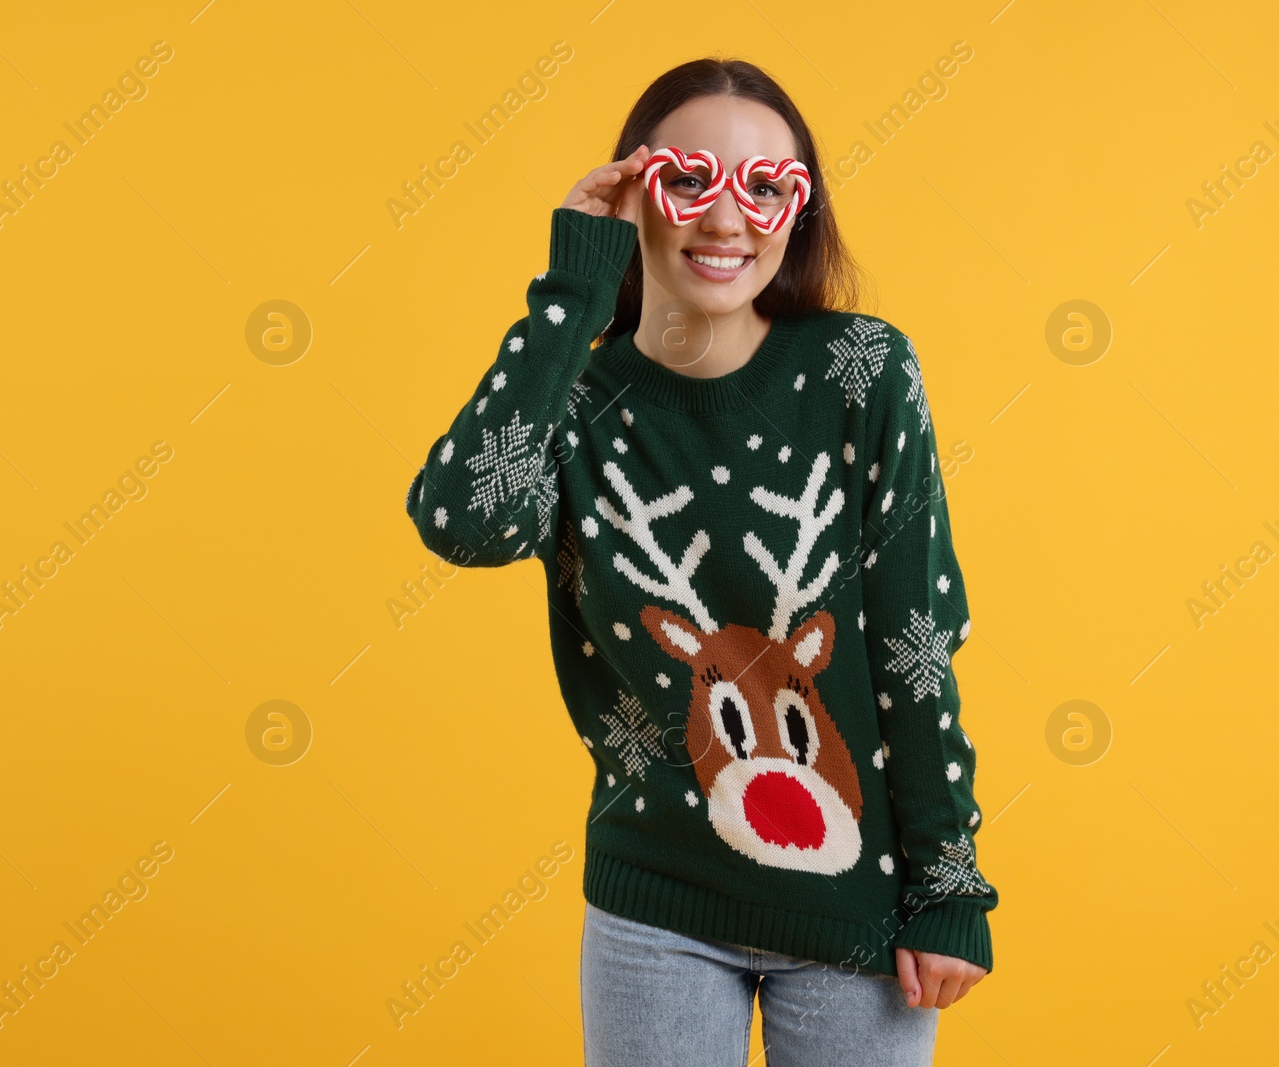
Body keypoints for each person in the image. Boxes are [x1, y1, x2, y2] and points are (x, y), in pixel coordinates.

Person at [403, 56, 996, 1066]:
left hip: (858, 911)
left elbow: (912, 640)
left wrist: (947, 884)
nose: (727, 220)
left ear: (797, 214)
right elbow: (465, 519)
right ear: (636, 196)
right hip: (657, 908)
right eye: (689, 180)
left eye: (766, 188)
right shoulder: (577, 405)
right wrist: (568, 294)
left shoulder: (862, 371)